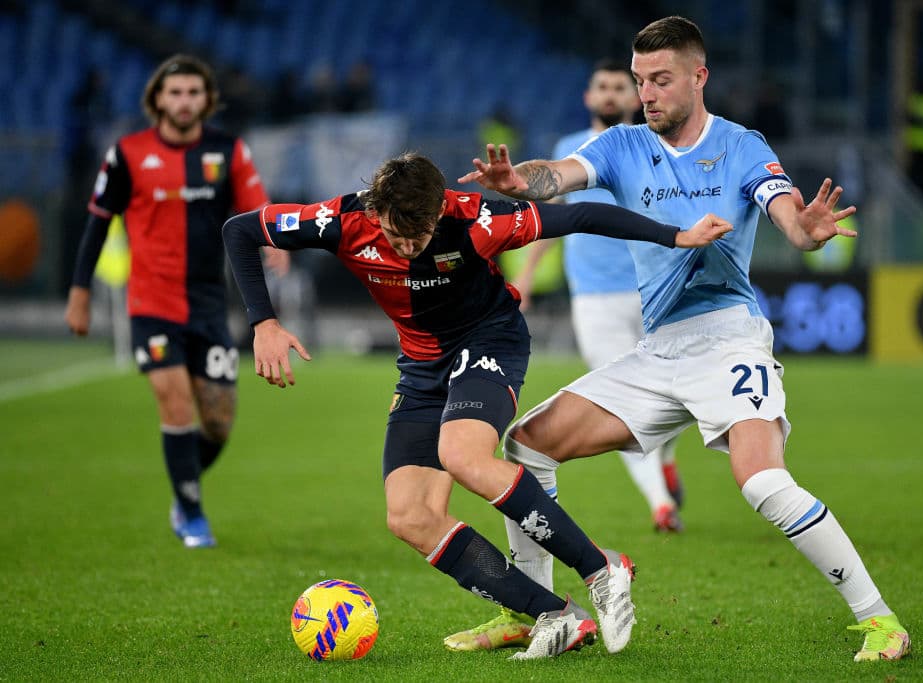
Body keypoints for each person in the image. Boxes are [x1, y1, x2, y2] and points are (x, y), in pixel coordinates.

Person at [455, 16, 910, 663]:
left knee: (762, 481)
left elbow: (791, 218)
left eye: (660, 80)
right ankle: (536, 609)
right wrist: (516, 182)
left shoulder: (742, 146)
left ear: (699, 76)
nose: (648, 94)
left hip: (728, 341)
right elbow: (554, 174)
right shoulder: (623, 146)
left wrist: (806, 232)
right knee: (527, 444)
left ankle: (881, 619)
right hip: (658, 349)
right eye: (641, 81)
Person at [222, 152, 733, 659]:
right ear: (375, 212)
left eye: (416, 239)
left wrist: (675, 235)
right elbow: (240, 230)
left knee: (462, 455)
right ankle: (555, 616)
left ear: (438, 214)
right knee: (410, 517)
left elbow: (580, 215)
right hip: (422, 367)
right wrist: (263, 322)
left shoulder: (477, 219)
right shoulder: (341, 220)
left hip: (489, 341)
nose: (404, 249)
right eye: (394, 237)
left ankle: (602, 567)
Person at [64, 54, 283, 549]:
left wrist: (273, 246)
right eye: (175, 92)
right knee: (175, 400)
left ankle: (183, 484)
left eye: (193, 92)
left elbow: (256, 211)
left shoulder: (228, 151)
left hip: (208, 304)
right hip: (151, 302)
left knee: (219, 422)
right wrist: (79, 293)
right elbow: (97, 221)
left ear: (207, 99)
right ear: (158, 99)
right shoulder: (127, 154)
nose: (184, 101)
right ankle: (191, 511)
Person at [515, 59, 685, 534]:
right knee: (625, 405)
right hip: (594, 298)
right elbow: (546, 221)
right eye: (602, 87)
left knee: (675, 394)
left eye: (619, 87)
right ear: (589, 98)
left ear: (635, 98)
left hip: (657, 290)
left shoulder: (657, 147)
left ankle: (666, 459)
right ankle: (661, 502)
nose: (610, 94)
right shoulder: (568, 152)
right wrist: (527, 275)